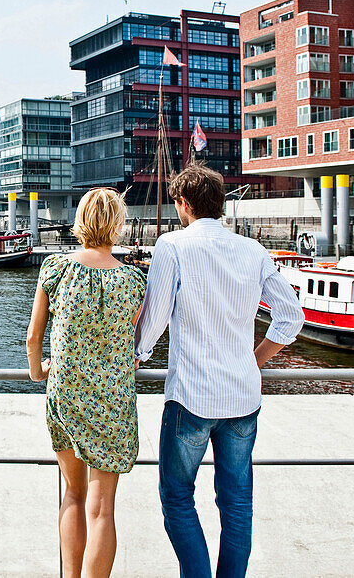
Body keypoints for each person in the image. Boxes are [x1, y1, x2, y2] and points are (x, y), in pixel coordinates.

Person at [135, 163, 304, 578]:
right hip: (243, 397)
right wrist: (255, 360)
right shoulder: (252, 250)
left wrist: (136, 353)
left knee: (177, 498)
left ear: (183, 203)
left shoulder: (172, 246)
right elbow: (291, 317)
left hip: (191, 396)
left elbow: (154, 320)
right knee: (238, 503)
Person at [26, 187, 146, 578]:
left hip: (66, 393)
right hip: (112, 401)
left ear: (80, 222)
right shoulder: (133, 281)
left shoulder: (55, 269)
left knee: (73, 496)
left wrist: (36, 371)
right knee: (102, 509)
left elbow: (33, 337)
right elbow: (127, 338)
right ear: (118, 225)